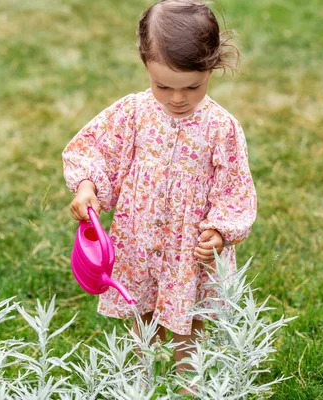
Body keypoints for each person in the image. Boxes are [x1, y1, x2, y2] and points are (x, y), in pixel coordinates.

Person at [62, 0, 257, 391]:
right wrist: (87, 187)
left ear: (212, 67)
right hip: (140, 238)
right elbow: (94, 148)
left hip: (189, 249)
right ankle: (141, 381)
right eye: (163, 85)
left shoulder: (222, 127)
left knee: (189, 323)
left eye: (193, 87)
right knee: (142, 315)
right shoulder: (133, 113)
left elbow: (235, 187)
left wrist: (219, 232)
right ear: (145, 65)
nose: (178, 99)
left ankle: (190, 384)